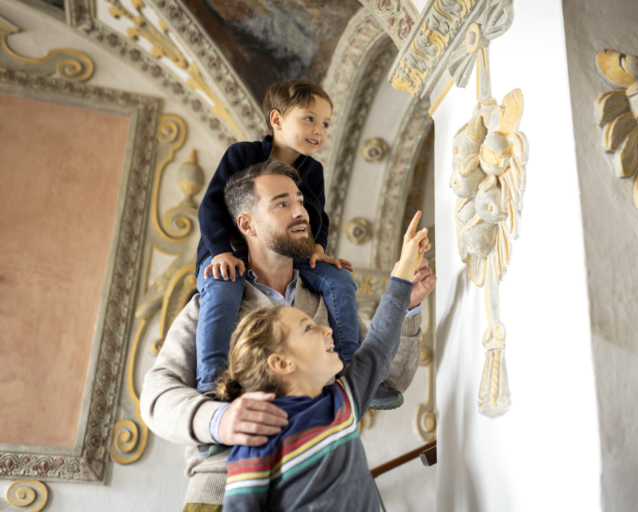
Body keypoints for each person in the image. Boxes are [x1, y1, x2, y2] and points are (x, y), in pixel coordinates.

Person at [141, 160, 436, 512]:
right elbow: (156, 398)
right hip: (222, 496)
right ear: (246, 224)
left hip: (318, 492)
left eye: (300, 201)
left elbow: (387, 376)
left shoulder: (327, 300)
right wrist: (219, 420)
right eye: (282, 203)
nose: (301, 212)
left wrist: (407, 305)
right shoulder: (210, 308)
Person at [195, 80, 400, 408]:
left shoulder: (313, 170)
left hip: (293, 252)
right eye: (309, 119)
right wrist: (219, 251)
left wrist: (319, 249)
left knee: (339, 279)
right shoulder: (242, 154)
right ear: (276, 120)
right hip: (227, 252)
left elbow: (318, 216)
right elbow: (211, 207)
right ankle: (210, 385)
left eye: (325, 123)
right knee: (221, 286)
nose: (319, 129)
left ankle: (352, 372)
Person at [217, 210, 430, 512]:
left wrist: (404, 271)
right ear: (281, 363)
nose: (327, 329)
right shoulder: (257, 439)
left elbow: (378, 347)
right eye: (308, 328)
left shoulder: (341, 400)